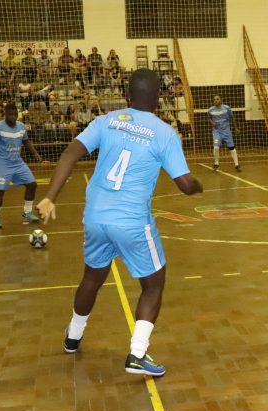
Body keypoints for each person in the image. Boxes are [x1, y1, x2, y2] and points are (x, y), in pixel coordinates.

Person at [35, 69, 203, 376]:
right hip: (131, 222)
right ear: (158, 99)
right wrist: (198, 185)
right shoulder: (165, 132)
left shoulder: (107, 120)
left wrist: (50, 197)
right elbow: (184, 184)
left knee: (92, 278)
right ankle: (137, 354)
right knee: (154, 284)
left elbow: (71, 152)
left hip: (96, 217)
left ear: (127, 96)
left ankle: (73, 336)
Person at [0, 103, 44, 229]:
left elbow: (26, 141)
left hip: (17, 162)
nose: (13, 117)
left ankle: (27, 212)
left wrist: (35, 154)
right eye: (10, 114)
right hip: (2, 164)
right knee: (0, 190)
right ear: (5, 115)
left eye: (15, 114)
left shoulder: (21, 126)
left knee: (32, 185)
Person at [207, 95, 241, 172]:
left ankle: (237, 164)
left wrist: (236, 128)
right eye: (214, 99)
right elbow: (208, 117)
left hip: (226, 131)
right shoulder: (210, 110)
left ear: (221, 100)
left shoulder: (226, 108)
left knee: (232, 148)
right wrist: (212, 122)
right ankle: (216, 163)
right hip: (217, 131)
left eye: (217, 99)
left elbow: (232, 118)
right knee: (216, 147)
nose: (216, 100)